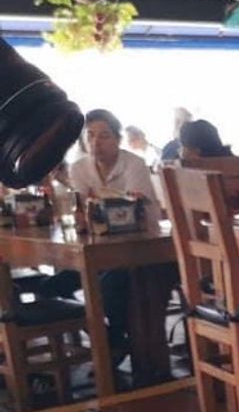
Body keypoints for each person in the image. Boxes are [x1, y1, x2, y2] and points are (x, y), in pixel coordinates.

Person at [52, 110, 161, 363]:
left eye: (104, 136)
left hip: (138, 248)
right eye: (90, 136)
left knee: (109, 284)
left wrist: (99, 207)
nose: (95, 143)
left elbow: (140, 208)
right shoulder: (79, 168)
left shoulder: (133, 164)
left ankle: (113, 343)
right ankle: (110, 338)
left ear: (118, 139)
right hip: (96, 251)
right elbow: (80, 211)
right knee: (58, 283)